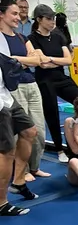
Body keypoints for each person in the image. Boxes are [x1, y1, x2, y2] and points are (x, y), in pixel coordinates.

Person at [0, 0, 48, 182]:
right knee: (16, 135)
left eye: (18, 13)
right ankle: (22, 173)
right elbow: (6, 65)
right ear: (2, 15)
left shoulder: (21, 37)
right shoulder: (2, 38)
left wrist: (16, 59)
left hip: (31, 84)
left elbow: (37, 60)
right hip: (13, 88)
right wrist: (24, 60)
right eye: (13, 13)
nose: (18, 16)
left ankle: (33, 168)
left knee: (37, 131)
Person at [29, 4, 78, 163]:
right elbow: (41, 63)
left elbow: (68, 60)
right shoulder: (32, 38)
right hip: (44, 79)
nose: (52, 22)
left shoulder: (58, 36)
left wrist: (51, 60)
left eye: (53, 19)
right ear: (39, 20)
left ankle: (77, 141)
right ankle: (59, 149)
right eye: (49, 19)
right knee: (52, 113)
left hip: (61, 77)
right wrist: (53, 62)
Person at [0, 65, 38, 216]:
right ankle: (1, 203)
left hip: (6, 95)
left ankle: (18, 182)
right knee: (6, 150)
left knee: (29, 131)